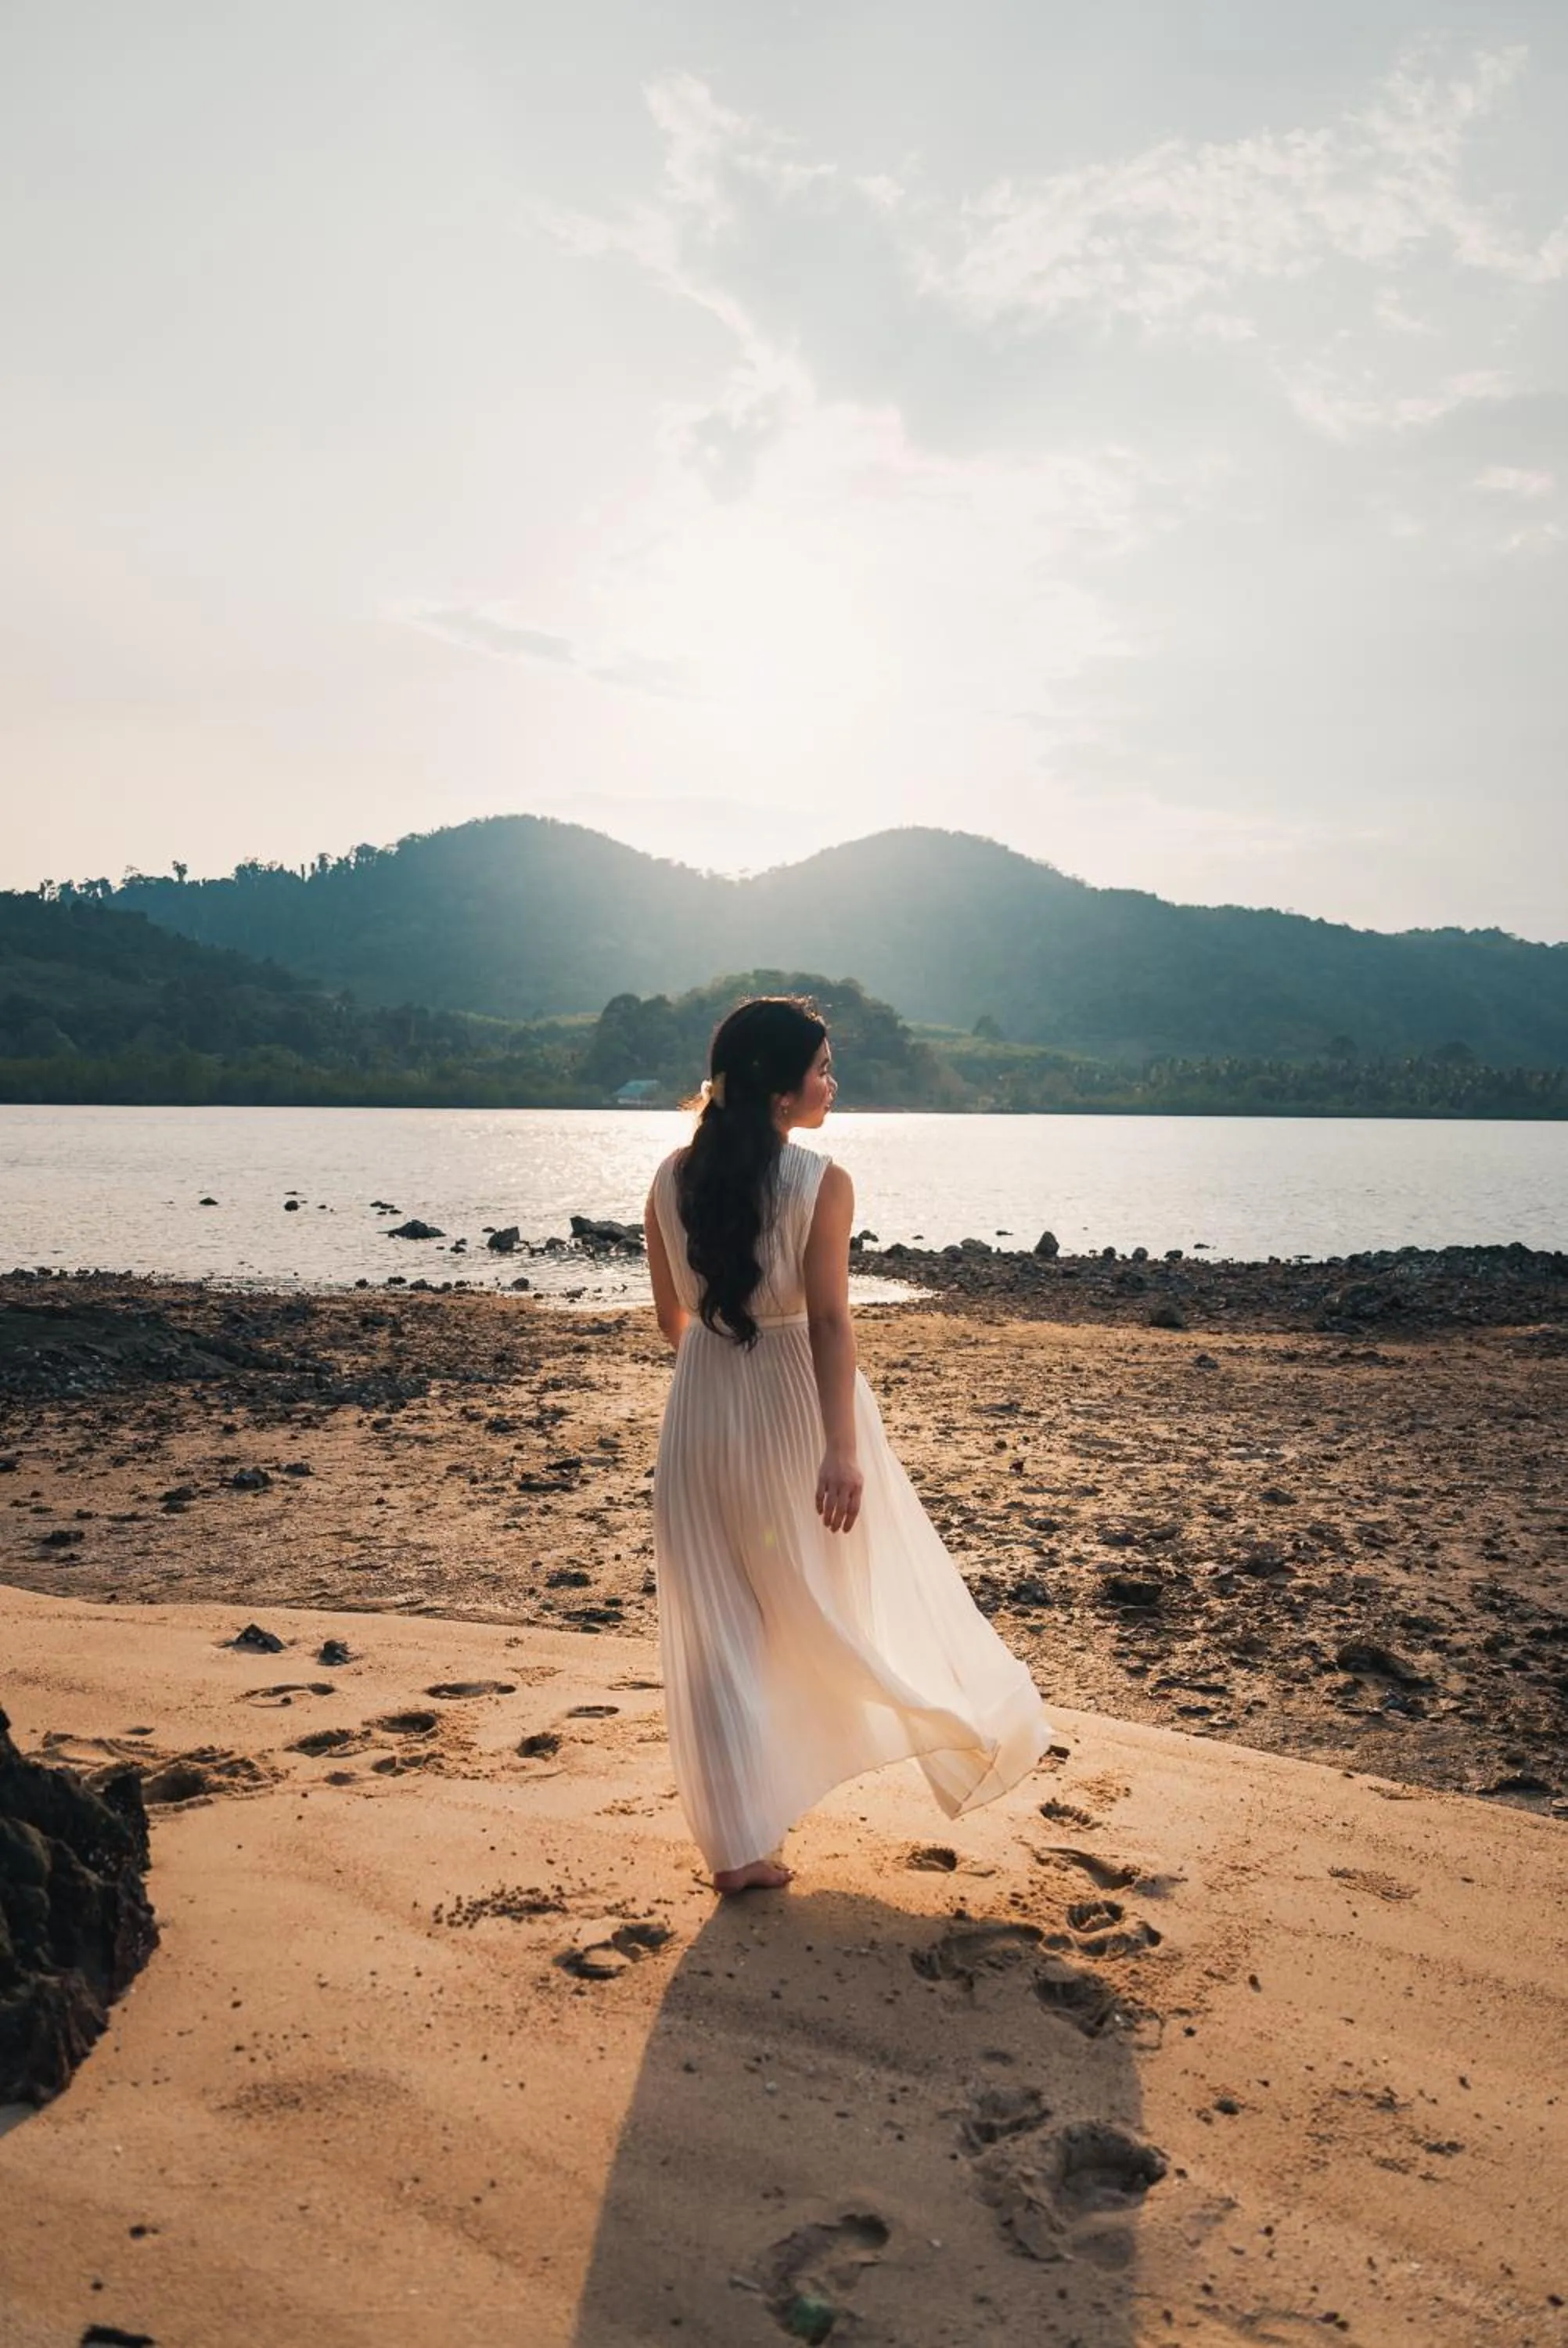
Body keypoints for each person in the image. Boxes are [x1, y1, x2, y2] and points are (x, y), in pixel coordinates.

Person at [644, 995, 1052, 1895]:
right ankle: (951, 1719)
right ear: (783, 1094)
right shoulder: (821, 1182)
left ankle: (738, 1849)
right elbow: (830, 1321)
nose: (834, 1082)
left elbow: (673, 1318)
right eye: (823, 1068)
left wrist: (723, 1373)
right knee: (839, 1603)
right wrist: (839, 1448)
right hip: (799, 1405)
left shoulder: (669, 1178)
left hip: (701, 1407)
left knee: (720, 1623)